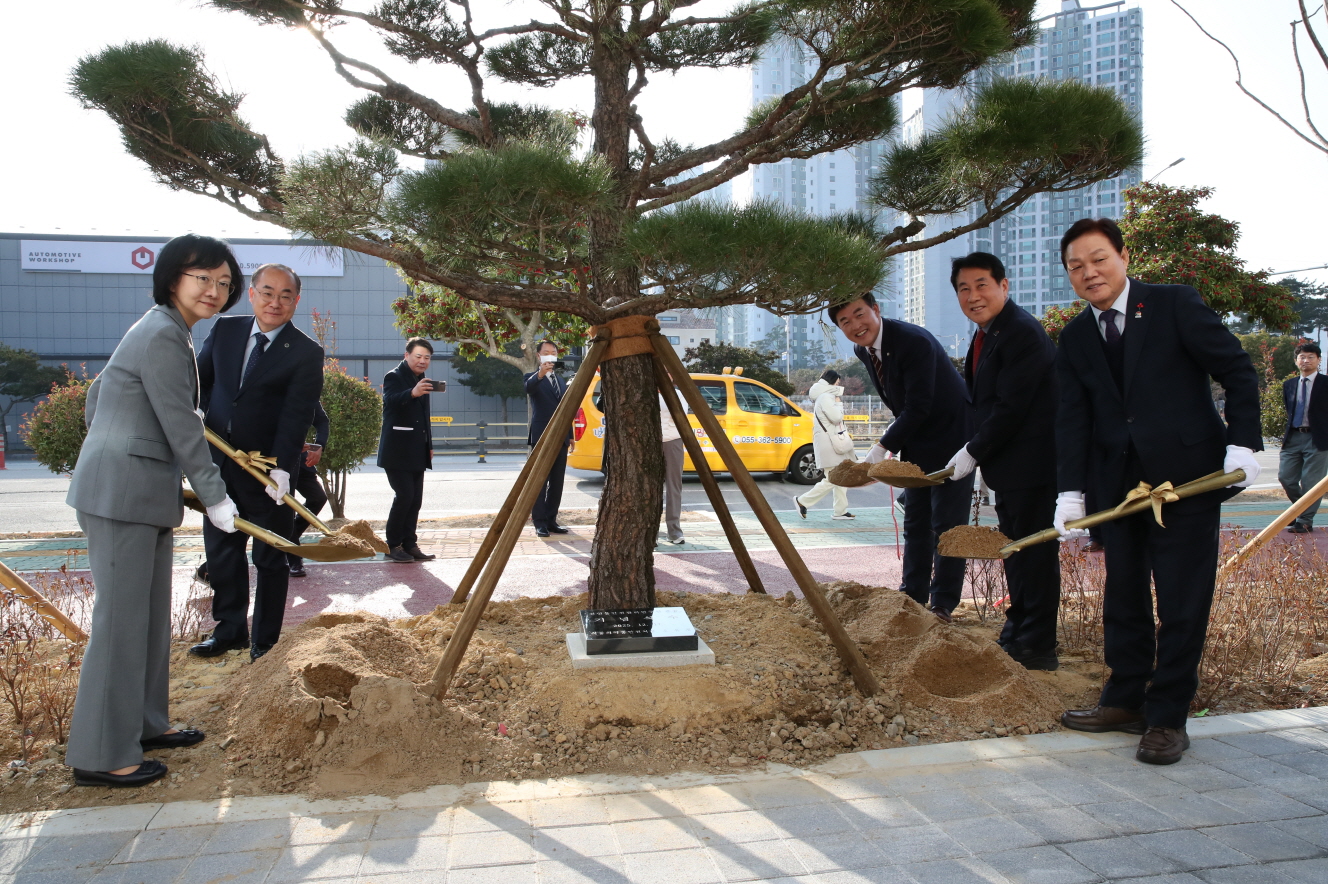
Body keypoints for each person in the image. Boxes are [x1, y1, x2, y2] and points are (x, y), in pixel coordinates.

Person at [1053, 217, 1261, 765]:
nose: (1089, 272)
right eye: (1076, 266)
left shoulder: (1173, 304)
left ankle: (1167, 716)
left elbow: (1238, 370)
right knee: (1122, 596)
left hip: (1187, 483)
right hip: (1119, 490)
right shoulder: (1075, 337)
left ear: (1123, 256)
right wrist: (1070, 493)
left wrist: (1242, 445)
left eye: (1098, 259)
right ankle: (1124, 700)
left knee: (1181, 600)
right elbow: (1072, 419)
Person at [64, 234, 242, 787]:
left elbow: (99, 400)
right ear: (172, 279)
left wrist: (125, 447)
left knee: (144, 621)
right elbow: (182, 423)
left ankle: (143, 724)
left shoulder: (163, 330)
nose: (214, 291)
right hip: (121, 497)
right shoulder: (165, 334)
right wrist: (214, 495)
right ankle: (100, 754)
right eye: (202, 278)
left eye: (224, 283)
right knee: (120, 626)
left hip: (137, 492)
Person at [192, 263, 324, 662]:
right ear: (252, 294)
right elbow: (202, 379)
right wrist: (194, 410)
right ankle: (229, 630)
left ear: (296, 302)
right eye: (267, 292)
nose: (275, 302)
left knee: (270, 558)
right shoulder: (227, 330)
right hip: (218, 465)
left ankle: (264, 642)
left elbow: (296, 414)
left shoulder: (305, 351)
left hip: (267, 471)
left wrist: (284, 466)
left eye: (286, 295)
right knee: (222, 552)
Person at [947, 253, 1060, 670]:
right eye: (964, 288)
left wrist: (973, 451)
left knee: (1034, 554)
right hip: (1011, 467)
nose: (973, 296)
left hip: (1034, 466)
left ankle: (1038, 645)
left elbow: (1012, 408)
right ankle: (1019, 629)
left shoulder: (1021, 333)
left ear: (1004, 286)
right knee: (1016, 550)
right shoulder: (986, 334)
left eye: (982, 285)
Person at [830, 293, 973, 621]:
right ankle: (912, 594)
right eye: (845, 322)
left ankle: (942, 604)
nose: (855, 325)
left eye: (859, 314)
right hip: (917, 435)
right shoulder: (862, 349)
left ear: (876, 310)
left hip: (953, 434)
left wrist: (881, 447)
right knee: (916, 520)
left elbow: (919, 404)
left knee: (947, 524)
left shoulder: (913, 341)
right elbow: (903, 403)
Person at [377, 338, 438, 563]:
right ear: (407, 355)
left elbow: (424, 418)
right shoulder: (394, 376)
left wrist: (429, 445)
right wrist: (412, 392)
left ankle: (410, 544)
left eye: (427, 358)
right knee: (404, 496)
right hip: (396, 449)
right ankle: (393, 545)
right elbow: (390, 401)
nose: (423, 361)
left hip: (417, 449)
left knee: (415, 500)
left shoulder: (422, 379)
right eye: (418, 356)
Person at [795, 369, 857, 520]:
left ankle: (840, 511)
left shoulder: (823, 396)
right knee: (833, 478)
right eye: (838, 381)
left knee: (840, 476)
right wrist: (839, 405)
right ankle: (802, 501)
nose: (839, 384)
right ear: (834, 381)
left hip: (829, 441)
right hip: (829, 443)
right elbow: (836, 418)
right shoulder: (826, 397)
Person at [1279, 341, 1328, 533]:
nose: (1306, 360)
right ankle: (1298, 511)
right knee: (1286, 478)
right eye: (1302, 357)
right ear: (1296, 361)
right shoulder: (1289, 385)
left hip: (1318, 438)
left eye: (1310, 357)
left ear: (1319, 360)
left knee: (1311, 483)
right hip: (1293, 437)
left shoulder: (1326, 383)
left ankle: (1305, 520)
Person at [525, 340, 572, 537]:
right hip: (541, 435)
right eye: (546, 353)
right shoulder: (532, 377)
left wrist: (570, 435)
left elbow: (567, 409)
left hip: (561, 436)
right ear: (538, 356)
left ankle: (552, 520)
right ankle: (539, 522)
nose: (550, 356)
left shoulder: (561, 381)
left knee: (557, 481)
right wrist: (541, 373)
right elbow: (529, 388)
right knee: (540, 481)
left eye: (553, 353)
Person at [285, 400, 331, 576]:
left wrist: (319, 445)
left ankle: (287, 537)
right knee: (285, 508)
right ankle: (294, 559)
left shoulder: (305, 389)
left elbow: (322, 421)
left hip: (301, 460)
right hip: (275, 460)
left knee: (318, 498)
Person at [659, 380, 686, 545]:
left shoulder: (678, 394)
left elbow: (679, 414)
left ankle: (674, 530)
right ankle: (650, 532)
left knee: (673, 486)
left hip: (672, 440)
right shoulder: (643, 390)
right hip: (649, 442)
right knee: (648, 489)